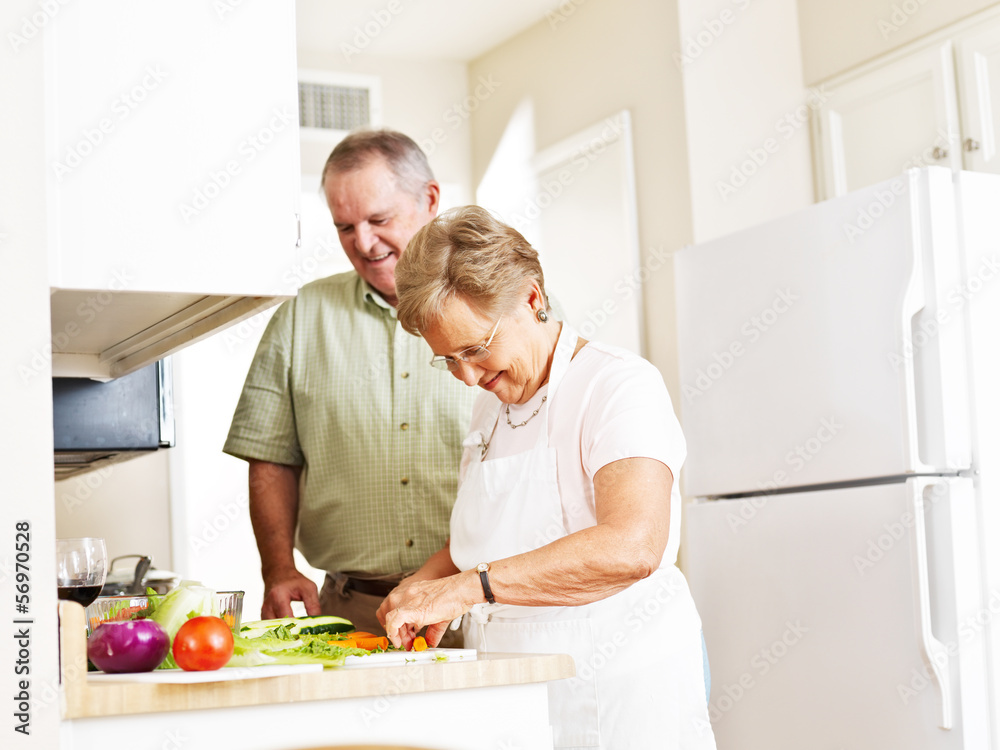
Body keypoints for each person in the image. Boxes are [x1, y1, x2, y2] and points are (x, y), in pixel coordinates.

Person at [377, 206, 716, 749]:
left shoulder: (616, 385)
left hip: (615, 692)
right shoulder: (493, 403)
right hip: (516, 696)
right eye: (448, 361)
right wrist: (423, 587)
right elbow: (492, 537)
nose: (467, 378)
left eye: (475, 349)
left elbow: (633, 546)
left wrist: (468, 590)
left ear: (531, 299)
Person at [224, 130, 477, 637]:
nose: (362, 243)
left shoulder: (504, 306)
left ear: (429, 200)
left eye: (379, 220)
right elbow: (270, 456)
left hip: (477, 604)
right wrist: (277, 567)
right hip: (350, 612)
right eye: (345, 227)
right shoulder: (299, 316)